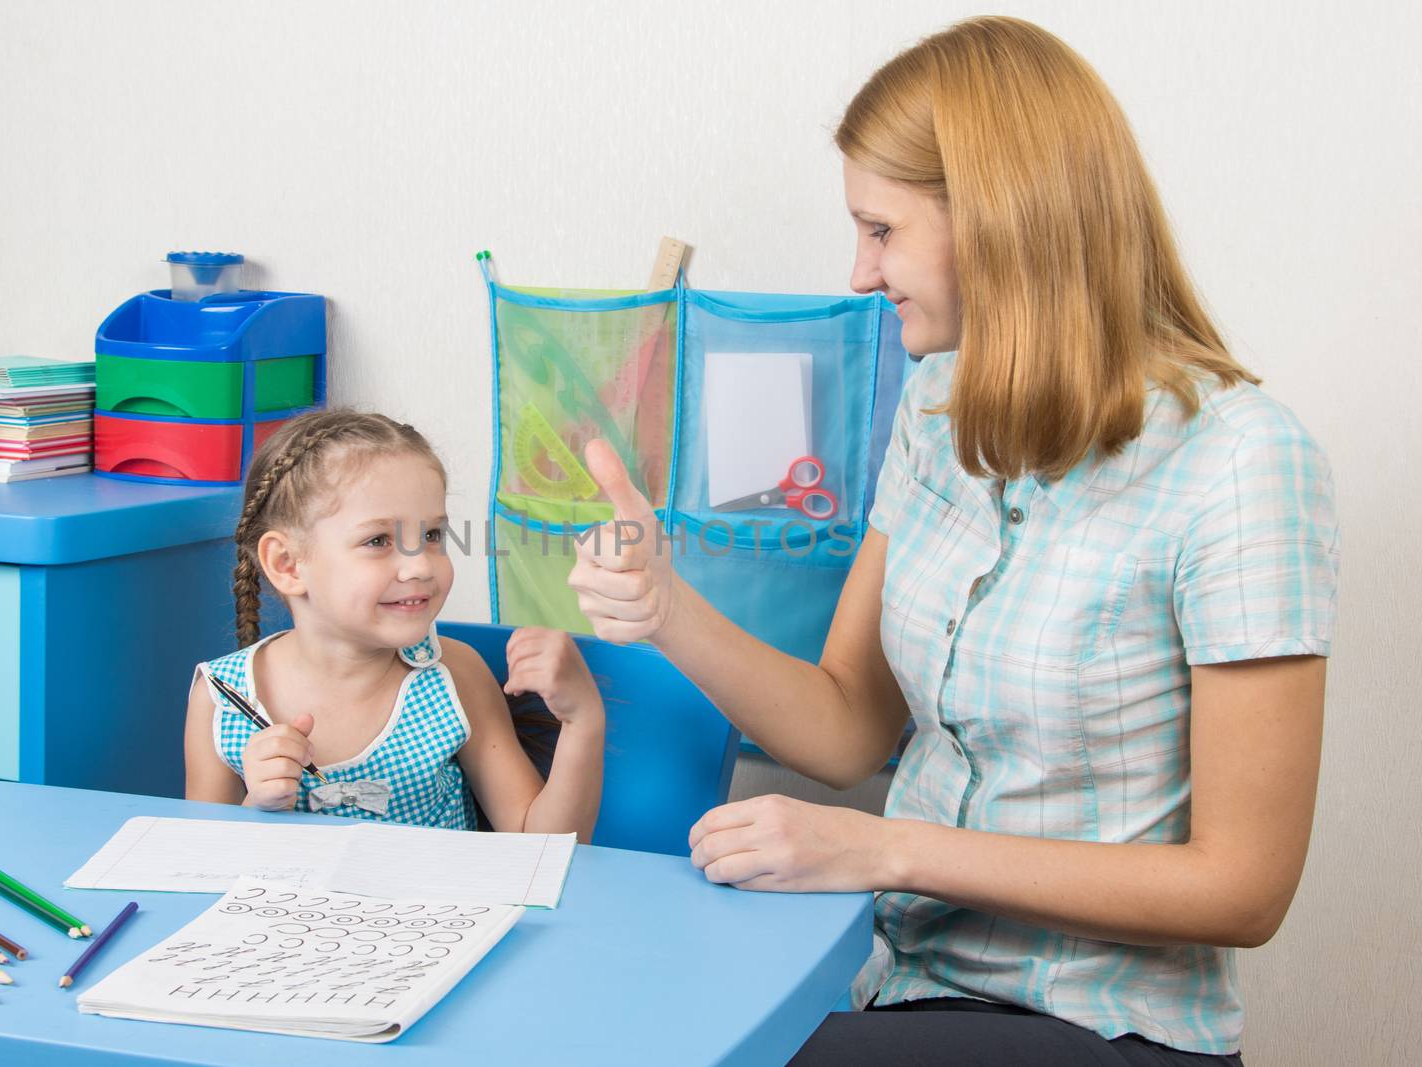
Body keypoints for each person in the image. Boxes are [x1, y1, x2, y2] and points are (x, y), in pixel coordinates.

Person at [568, 16, 1337, 1064]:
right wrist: (667, 609)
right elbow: (846, 727)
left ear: (998, 217)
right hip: (906, 984)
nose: (855, 270)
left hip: (1101, 1025)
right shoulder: (936, 411)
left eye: (879, 229)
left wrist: (887, 846)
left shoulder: (1239, 461)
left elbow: (1242, 887)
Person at [185, 409, 605, 840]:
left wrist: (583, 720)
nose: (420, 566)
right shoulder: (221, 697)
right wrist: (255, 806)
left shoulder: (454, 677)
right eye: (378, 541)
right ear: (287, 564)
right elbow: (197, 862)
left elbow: (542, 848)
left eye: (432, 536)